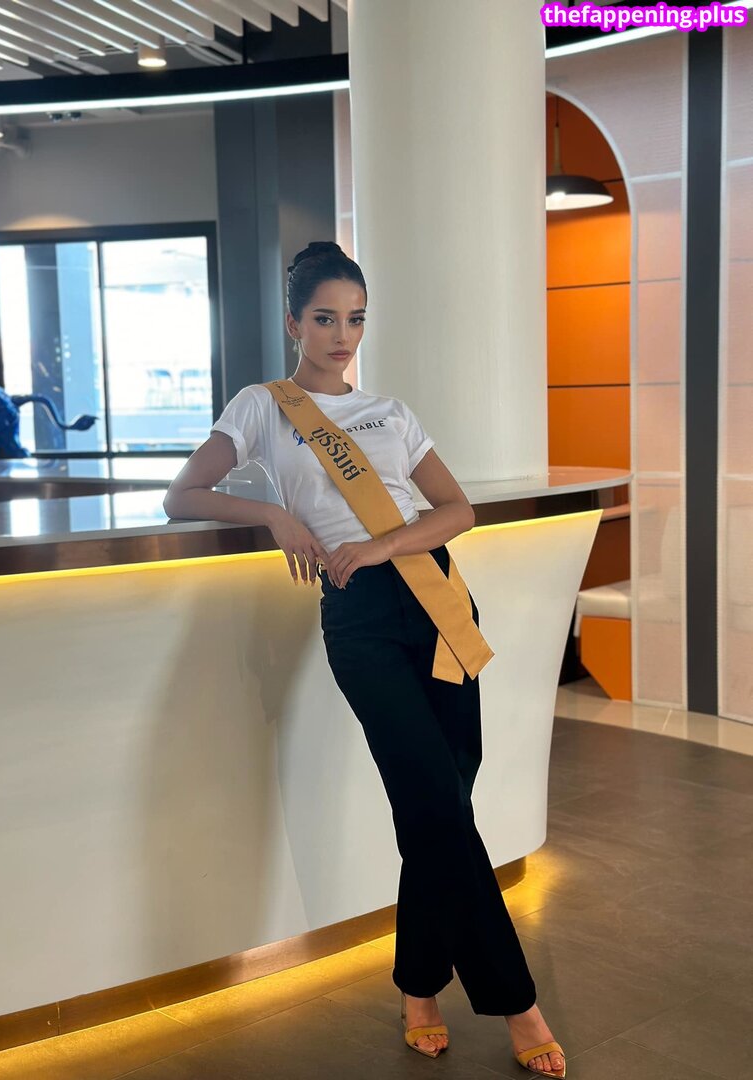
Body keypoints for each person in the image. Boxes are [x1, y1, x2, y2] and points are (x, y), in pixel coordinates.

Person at [162, 241, 566, 1078]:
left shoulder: (391, 411)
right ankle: (517, 1003)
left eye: (355, 319)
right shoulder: (263, 408)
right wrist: (275, 516)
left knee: (440, 805)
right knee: (435, 802)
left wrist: (384, 544)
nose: (342, 336)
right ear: (293, 323)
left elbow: (455, 511)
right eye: (324, 319)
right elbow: (183, 493)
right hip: (361, 618)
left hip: (439, 600)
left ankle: (419, 987)